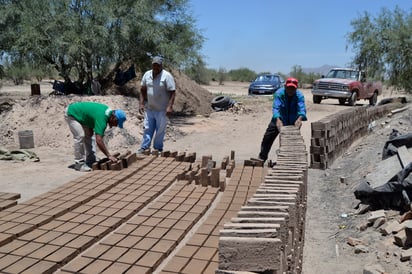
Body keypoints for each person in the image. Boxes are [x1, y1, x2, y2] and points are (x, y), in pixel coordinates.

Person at [64, 102, 126, 171]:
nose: (115, 126)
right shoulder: (103, 118)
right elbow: (99, 140)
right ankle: (79, 164)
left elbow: (91, 115)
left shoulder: (108, 113)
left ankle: (91, 159)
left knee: (89, 135)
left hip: (82, 116)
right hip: (72, 113)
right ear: (114, 118)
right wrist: (108, 155)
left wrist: (90, 127)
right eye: (116, 123)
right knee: (80, 136)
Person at [258, 77, 307, 161]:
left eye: (293, 88)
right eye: (289, 88)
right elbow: (276, 107)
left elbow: (302, 108)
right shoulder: (279, 93)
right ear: (285, 86)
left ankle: (288, 160)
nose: (290, 90)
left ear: (296, 88)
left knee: (290, 142)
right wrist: (277, 119)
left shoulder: (299, 95)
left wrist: (300, 118)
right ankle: (262, 157)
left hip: (292, 121)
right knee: (267, 138)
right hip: (278, 119)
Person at [137, 56, 176, 153]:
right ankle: (144, 147)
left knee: (160, 130)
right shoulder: (147, 74)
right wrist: (141, 103)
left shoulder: (167, 76)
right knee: (147, 128)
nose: (155, 67)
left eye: (157, 66)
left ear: (161, 65)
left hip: (162, 109)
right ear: (152, 65)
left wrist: (170, 106)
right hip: (150, 108)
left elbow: (172, 92)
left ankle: (158, 148)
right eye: (154, 65)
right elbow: (142, 89)